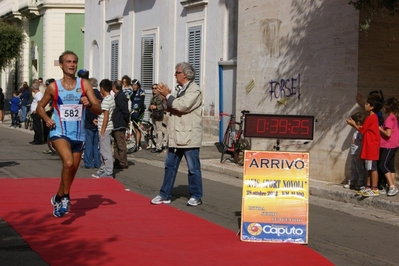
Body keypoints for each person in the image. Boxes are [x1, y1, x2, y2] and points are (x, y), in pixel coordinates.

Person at [36, 50, 101, 217]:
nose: (72, 64)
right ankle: (65, 197)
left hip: (79, 135)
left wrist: (88, 104)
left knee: (70, 171)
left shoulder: (84, 84)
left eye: (74, 62)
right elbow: (40, 107)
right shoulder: (53, 87)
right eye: (68, 62)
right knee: (68, 162)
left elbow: (98, 109)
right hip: (59, 132)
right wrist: (46, 119)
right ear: (61, 65)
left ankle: (58, 196)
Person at [151, 62, 203, 206]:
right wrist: (163, 96)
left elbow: (181, 105)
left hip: (189, 136)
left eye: (177, 72)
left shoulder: (195, 90)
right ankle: (164, 194)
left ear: (185, 75)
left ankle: (196, 195)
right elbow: (169, 106)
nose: (175, 75)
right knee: (170, 166)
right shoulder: (178, 90)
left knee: (193, 168)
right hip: (175, 134)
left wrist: (167, 95)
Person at [346, 94, 383, 197]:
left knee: (372, 168)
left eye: (367, 104)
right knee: (368, 167)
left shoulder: (371, 118)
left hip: (371, 146)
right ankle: (368, 186)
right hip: (369, 145)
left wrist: (353, 124)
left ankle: (374, 188)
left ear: (372, 107)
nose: (365, 105)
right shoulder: (372, 117)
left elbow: (362, 130)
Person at [91, 79, 115, 178]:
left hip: (105, 128)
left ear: (102, 88)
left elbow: (106, 116)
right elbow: (104, 116)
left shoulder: (107, 100)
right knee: (102, 150)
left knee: (105, 151)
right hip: (105, 126)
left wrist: (102, 129)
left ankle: (108, 171)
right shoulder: (110, 99)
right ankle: (103, 169)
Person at [378, 97, 399, 196]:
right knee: (390, 166)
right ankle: (390, 186)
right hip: (394, 144)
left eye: (385, 106)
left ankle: (391, 186)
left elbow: (388, 133)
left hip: (388, 145)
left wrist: (380, 129)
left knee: (383, 165)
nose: (384, 108)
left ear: (389, 107)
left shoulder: (390, 118)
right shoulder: (394, 117)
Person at [345, 112, 367, 193]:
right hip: (353, 153)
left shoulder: (360, 131)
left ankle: (361, 183)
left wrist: (360, 154)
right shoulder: (356, 131)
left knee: (360, 169)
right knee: (353, 168)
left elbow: (362, 143)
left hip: (358, 154)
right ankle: (352, 182)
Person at [83, 77, 102, 169]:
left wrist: (91, 119)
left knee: (89, 143)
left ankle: (89, 162)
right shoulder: (100, 94)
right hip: (98, 121)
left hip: (89, 122)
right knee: (96, 144)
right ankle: (97, 162)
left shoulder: (89, 94)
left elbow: (88, 109)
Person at [112, 80, 130, 169]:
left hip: (120, 123)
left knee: (120, 144)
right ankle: (117, 161)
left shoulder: (120, 96)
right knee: (115, 144)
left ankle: (123, 162)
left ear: (115, 87)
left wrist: (126, 121)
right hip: (116, 124)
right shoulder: (117, 96)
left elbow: (124, 110)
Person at [149, 83, 165, 153]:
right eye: (153, 88)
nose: (154, 90)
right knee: (155, 131)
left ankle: (159, 147)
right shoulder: (153, 97)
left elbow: (163, 106)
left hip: (158, 115)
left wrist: (156, 107)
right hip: (153, 115)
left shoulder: (160, 96)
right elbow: (151, 105)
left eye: (155, 88)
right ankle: (157, 145)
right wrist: (150, 107)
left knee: (159, 131)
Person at [130, 79, 146, 150]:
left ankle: (137, 144)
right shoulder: (132, 93)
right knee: (135, 128)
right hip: (134, 111)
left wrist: (138, 109)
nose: (133, 86)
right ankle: (138, 143)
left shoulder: (141, 91)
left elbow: (141, 102)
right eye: (132, 85)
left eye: (135, 85)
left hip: (140, 111)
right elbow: (131, 99)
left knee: (137, 128)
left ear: (138, 85)